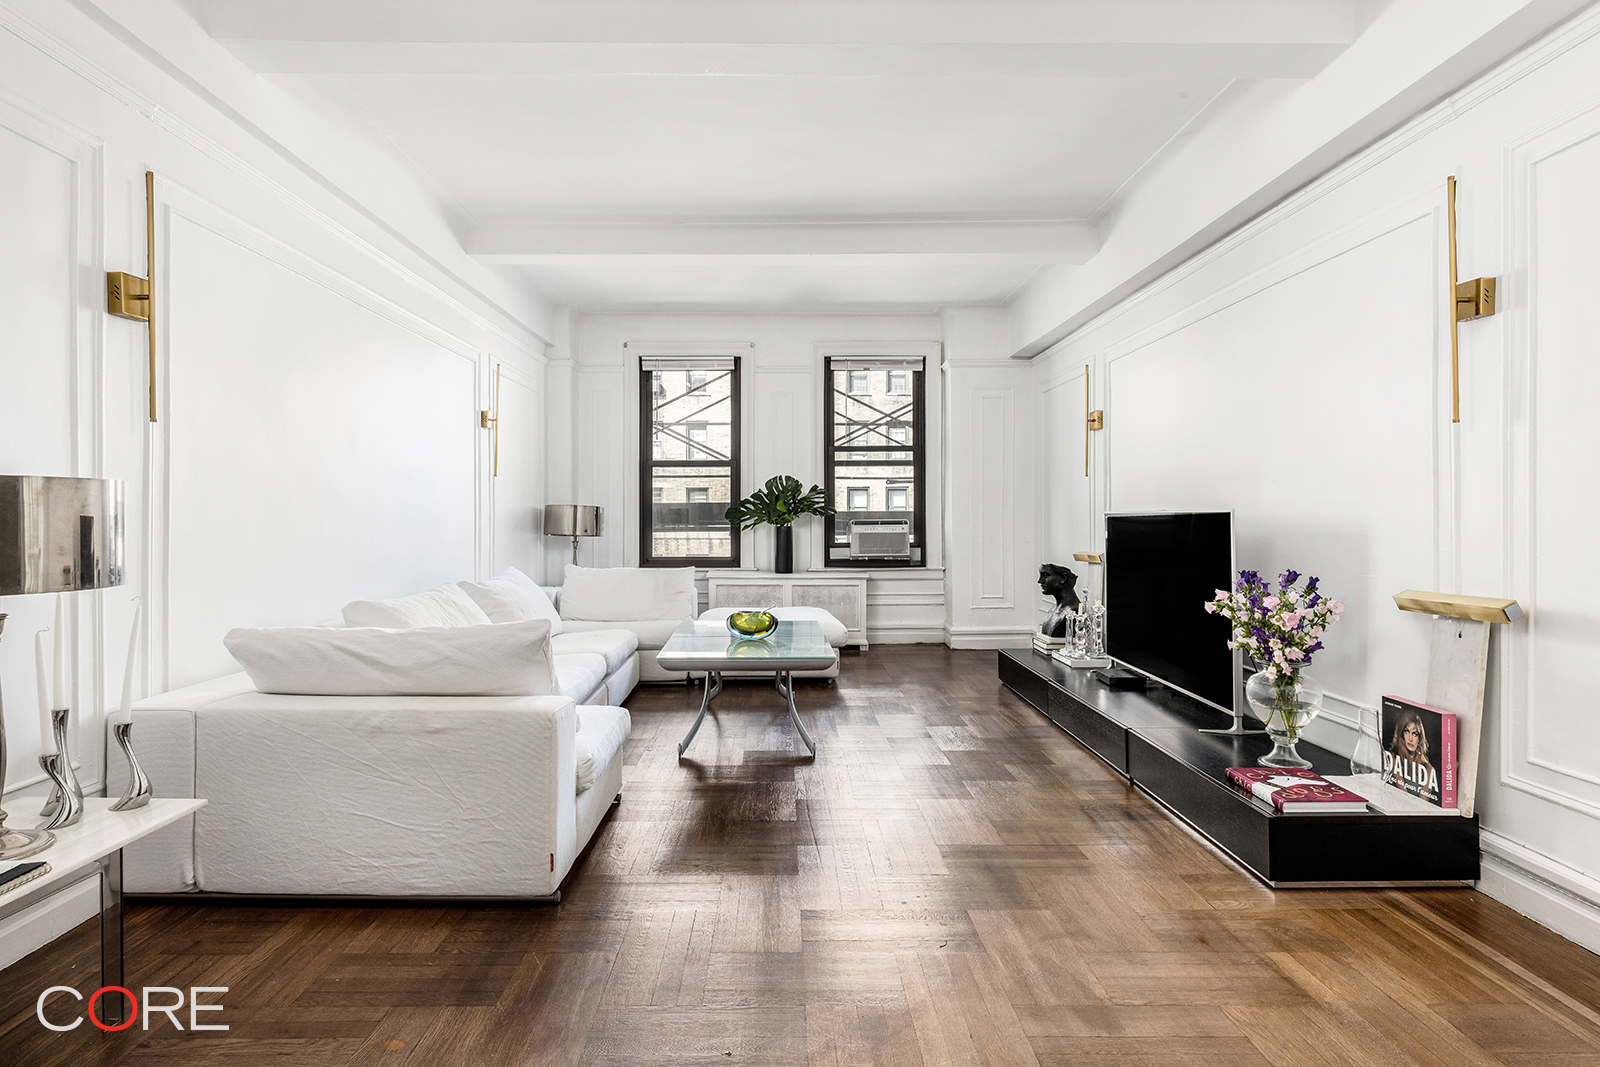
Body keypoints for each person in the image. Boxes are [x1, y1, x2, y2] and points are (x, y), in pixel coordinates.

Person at [1037, 564, 1080, 638]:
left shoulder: (1074, 612)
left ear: (1063, 578)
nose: (1040, 581)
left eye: (1045, 575)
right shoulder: (1053, 610)